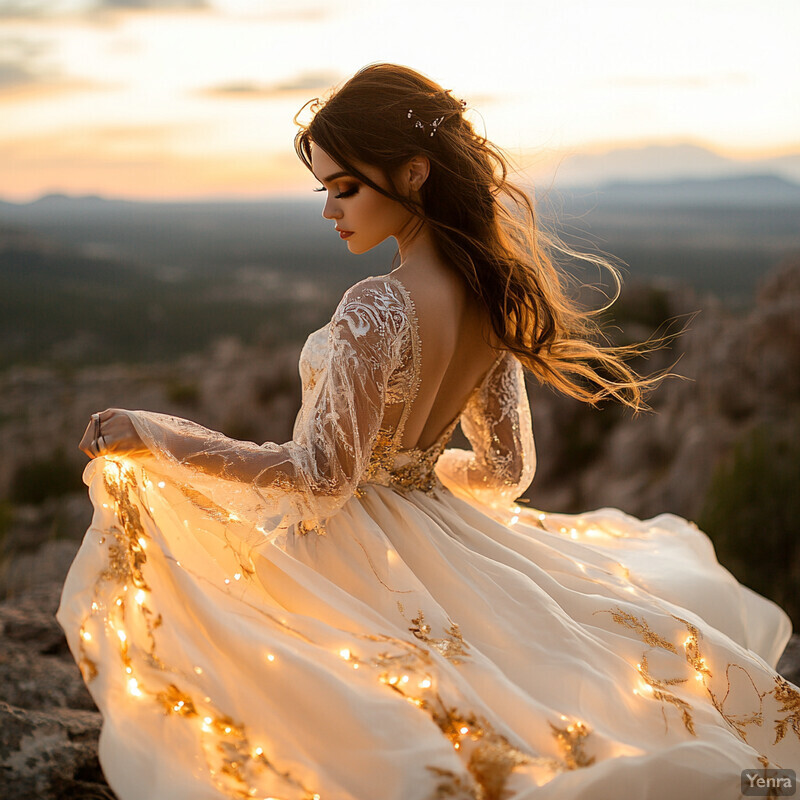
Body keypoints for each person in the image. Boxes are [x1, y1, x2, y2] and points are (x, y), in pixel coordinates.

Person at [57, 63, 799, 800]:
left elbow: (321, 476)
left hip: (350, 557)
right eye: (325, 191)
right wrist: (414, 474)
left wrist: (157, 436)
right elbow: (505, 471)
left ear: (414, 174)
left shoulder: (374, 306)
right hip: (435, 538)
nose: (330, 212)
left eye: (345, 188)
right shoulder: (490, 293)